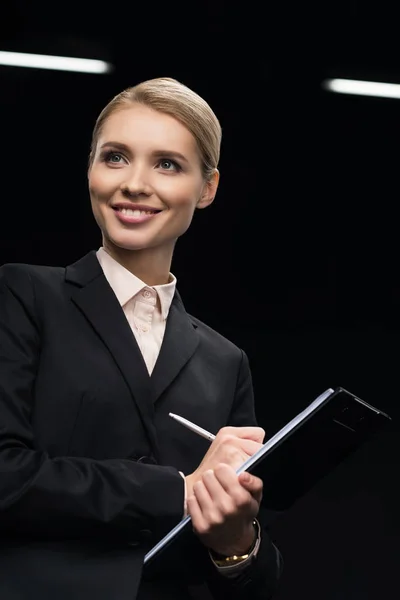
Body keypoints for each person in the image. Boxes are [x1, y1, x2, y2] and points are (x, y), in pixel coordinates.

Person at [0, 76, 283, 600]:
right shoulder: (22, 295)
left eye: (167, 163)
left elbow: (250, 581)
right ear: (90, 168)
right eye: (115, 157)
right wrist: (180, 490)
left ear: (208, 188)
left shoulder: (225, 361)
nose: (134, 183)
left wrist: (235, 539)